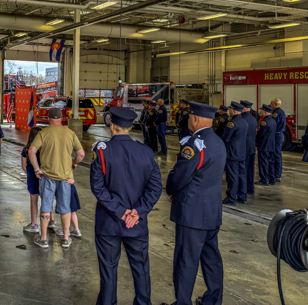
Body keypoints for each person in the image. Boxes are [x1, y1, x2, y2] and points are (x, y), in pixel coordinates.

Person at [92, 107, 162, 305]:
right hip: (136, 224)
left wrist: (121, 212)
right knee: (141, 270)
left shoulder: (102, 152)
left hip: (108, 224)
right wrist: (137, 212)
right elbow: (155, 188)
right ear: (130, 127)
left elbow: (98, 188)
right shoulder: (146, 152)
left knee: (108, 271)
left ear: (112, 126)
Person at [162, 102, 225, 305]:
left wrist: (171, 190)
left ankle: (182, 302)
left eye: (189, 117)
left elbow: (180, 175)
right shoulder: (218, 142)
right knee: (211, 259)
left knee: (186, 260)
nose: (188, 120)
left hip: (192, 214)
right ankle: (213, 300)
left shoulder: (194, 145)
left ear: (195, 119)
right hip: (212, 212)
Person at [28, 107, 85, 249]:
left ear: (48, 119)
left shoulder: (43, 133)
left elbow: (31, 151)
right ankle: (65, 238)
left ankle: (43, 239)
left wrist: (37, 169)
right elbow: (81, 154)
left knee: (46, 207)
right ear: (62, 119)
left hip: (47, 177)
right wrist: (74, 163)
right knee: (65, 208)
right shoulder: (70, 133)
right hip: (66, 178)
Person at [221, 102, 248, 205]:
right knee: (242, 175)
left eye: (230, 109)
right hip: (242, 152)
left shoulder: (232, 123)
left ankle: (231, 198)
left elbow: (225, 138)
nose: (229, 111)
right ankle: (242, 196)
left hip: (232, 153)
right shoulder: (244, 122)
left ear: (234, 110)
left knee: (232, 176)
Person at [21, 126, 43, 233]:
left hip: (32, 178)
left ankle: (34, 224)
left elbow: (23, 166)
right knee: (47, 199)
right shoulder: (44, 150)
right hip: (44, 177)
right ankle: (51, 221)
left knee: (34, 200)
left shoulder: (26, 150)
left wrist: (31, 173)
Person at [240, 100, 258, 195]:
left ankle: (243, 189)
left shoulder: (241, 119)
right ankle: (250, 188)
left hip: (244, 147)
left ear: (243, 108)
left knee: (243, 169)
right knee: (251, 169)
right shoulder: (253, 119)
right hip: (251, 146)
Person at [256, 104, 276, 186]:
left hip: (264, 145)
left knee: (263, 163)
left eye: (261, 110)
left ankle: (264, 179)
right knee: (270, 162)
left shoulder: (264, 122)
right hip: (271, 145)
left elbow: (261, 134)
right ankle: (271, 179)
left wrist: (256, 140)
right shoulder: (272, 120)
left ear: (265, 112)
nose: (260, 111)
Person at [270, 98, 286, 182]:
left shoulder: (276, 113)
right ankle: (277, 174)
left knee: (276, 155)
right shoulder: (281, 111)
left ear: (275, 104)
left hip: (276, 135)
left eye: (271, 103)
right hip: (279, 134)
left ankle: (277, 175)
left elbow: (273, 124)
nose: (270, 105)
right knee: (277, 154)